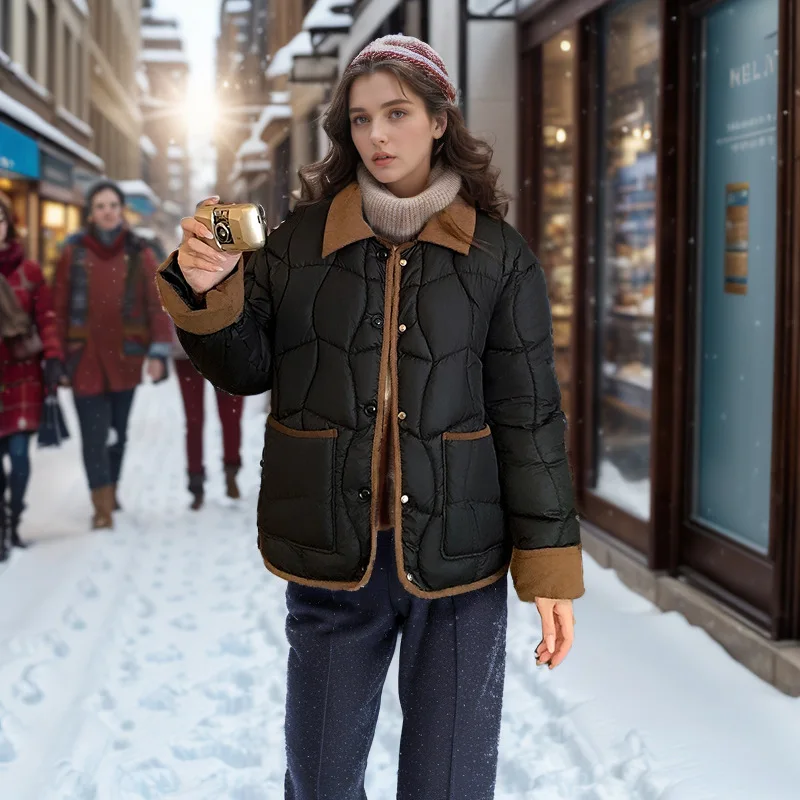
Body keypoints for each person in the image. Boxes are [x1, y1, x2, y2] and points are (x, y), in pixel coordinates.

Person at [157, 35, 584, 800]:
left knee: (448, 785)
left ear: (440, 119)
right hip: (331, 560)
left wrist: (549, 568)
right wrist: (205, 289)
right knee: (319, 782)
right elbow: (244, 367)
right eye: (360, 119)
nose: (377, 136)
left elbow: (529, 417)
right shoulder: (296, 245)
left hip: (461, 566)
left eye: (397, 113)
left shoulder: (498, 256)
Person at [52, 180, 172, 530]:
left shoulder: (140, 252)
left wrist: (157, 352)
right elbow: (58, 307)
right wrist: (57, 356)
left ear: (122, 211)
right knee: (94, 435)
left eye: (113, 206)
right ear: (91, 212)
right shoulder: (73, 252)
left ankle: (112, 487)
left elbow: (156, 305)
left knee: (118, 433)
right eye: (101, 206)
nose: (107, 212)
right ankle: (100, 505)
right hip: (83, 357)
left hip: (126, 356)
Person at [0, 194, 64, 560]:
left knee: (20, 458)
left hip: (23, 375)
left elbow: (47, 320)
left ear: (8, 224)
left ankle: (13, 516)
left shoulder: (30, 272)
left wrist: (53, 357)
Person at [172, 323, 244, 509]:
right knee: (195, 420)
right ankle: (197, 483)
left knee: (230, 417)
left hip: (226, 348)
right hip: (190, 349)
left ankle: (231, 472)